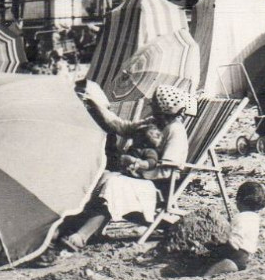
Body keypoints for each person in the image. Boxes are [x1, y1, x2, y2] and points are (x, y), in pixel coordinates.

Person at [34, 84, 193, 264]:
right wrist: (96, 106)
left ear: (165, 109)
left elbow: (168, 170)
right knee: (101, 178)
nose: (152, 109)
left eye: (155, 106)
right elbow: (122, 127)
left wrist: (139, 171)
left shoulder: (175, 131)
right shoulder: (155, 122)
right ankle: (64, 230)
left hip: (159, 185)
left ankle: (80, 236)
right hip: (142, 177)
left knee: (114, 185)